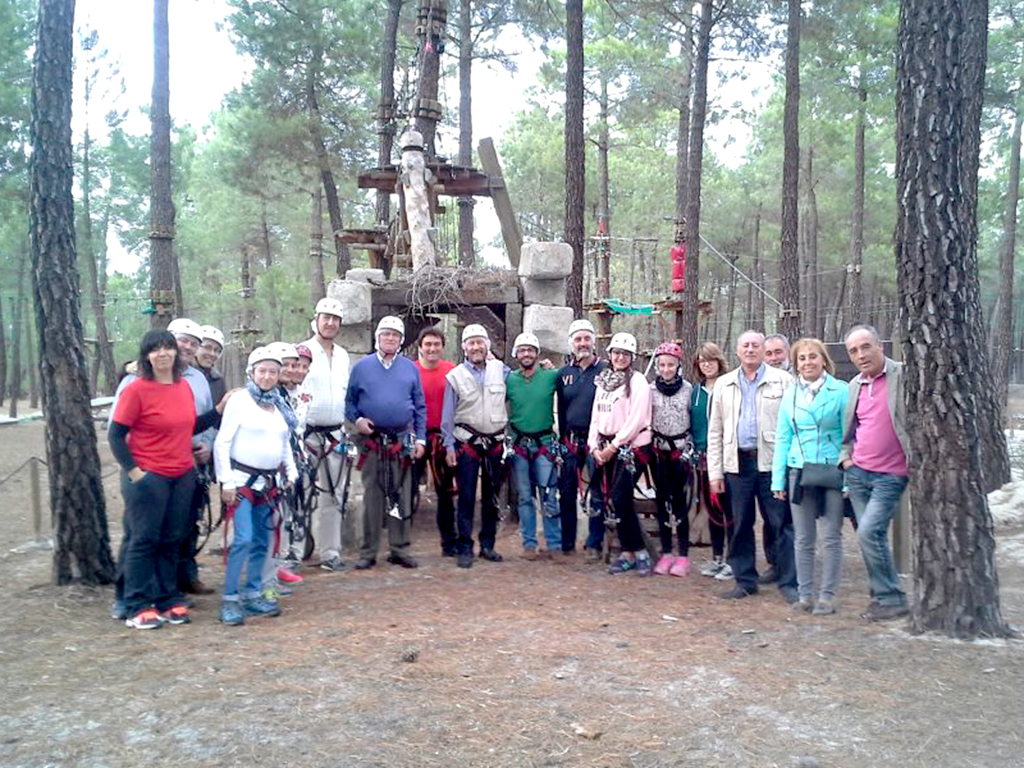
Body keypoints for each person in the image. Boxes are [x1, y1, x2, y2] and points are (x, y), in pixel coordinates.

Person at [108, 329, 223, 629]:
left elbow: (187, 425)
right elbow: (116, 434)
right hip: (148, 476)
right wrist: (135, 473)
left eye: (167, 348)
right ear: (147, 355)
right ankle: (136, 603)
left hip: (181, 474)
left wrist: (217, 412)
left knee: (172, 539)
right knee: (145, 539)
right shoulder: (136, 389)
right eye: (155, 349)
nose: (163, 354)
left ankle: (166, 598)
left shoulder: (183, 386)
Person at [707, 330, 797, 601]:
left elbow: (793, 426)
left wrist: (788, 467)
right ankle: (745, 580)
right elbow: (715, 431)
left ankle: (789, 582)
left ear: (762, 349)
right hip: (737, 464)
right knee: (740, 524)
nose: (750, 350)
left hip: (772, 464)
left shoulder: (783, 381)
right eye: (745, 345)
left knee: (781, 523)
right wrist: (715, 473)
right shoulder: (723, 384)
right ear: (737, 351)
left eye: (755, 346)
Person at [214, 346, 298, 626]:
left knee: (262, 540)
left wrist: (291, 471)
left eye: (273, 371)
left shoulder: (277, 406)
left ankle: (252, 594)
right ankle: (229, 599)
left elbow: (284, 440)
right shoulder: (240, 401)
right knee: (243, 539)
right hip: (241, 482)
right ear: (252, 372)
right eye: (262, 370)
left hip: (268, 483)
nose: (267, 376)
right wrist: (225, 481)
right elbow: (222, 442)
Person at [771, 338, 849, 615]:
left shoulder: (841, 391)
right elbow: (783, 437)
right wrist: (777, 481)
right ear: (796, 363)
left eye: (812, 357)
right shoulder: (790, 395)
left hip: (832, 471)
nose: (807, 363)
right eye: (802, 358)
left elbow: (848, 436)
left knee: (831, 537)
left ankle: (827, 596)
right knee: (803, 538)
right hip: (799, 471)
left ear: (823, 360)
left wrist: (848, 478)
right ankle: (805, 595)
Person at [840, 325, 910, 621]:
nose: (861, 355)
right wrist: (846, 459)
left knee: (870, 532)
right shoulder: (855, 385)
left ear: (880, 346)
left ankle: (892, 597)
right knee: (871, 536)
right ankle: (880, 595)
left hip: (891, 475)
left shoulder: (904, 375)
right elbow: (849, 429)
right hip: (858, 474)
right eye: (854, 351)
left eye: (865, 346)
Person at [346, 316, 426, 570]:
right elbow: (349, 402)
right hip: (372, 440)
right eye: (386, 334)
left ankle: (399, 548)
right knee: (373, 495)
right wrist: (357, 419)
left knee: (401, 495)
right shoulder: (362, 367)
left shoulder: (410, 368)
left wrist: (420, 439)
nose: (390, 338)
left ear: (401, 340)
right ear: (377, 337)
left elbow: (420, 406)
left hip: (401, 440)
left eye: (395, 335)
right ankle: (368, 551)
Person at [441, 324, 509, 569]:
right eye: (471, 342)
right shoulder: (455, 376)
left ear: (487, 346)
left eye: (480, 342)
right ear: (464, 347)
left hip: (494, 443)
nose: (476, 346)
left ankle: (488, 545)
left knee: (491, 498)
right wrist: (449, 446)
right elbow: (447, 416)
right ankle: (464, 547)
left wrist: (544, 367)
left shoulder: (502, 370)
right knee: (467, 497)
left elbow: (523, 383)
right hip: (466, 443)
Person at [589, 332, 653, 576]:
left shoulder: (637, 382)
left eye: (625, 354)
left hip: (632, 446)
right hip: (607, 445)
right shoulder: (604, 380)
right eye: (616, 353)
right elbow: (597, 415)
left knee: (620, 497)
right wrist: (593, 445)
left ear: (632, 357)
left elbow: (636, 420)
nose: (620, 357)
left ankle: (639, 551)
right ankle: (628, 552)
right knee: (614, 500)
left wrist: (613, 447)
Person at [301, 297, 351, 572]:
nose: (330, 323)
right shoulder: (302, 351)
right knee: (301, 494)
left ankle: (330, 553)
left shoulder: (343, 356)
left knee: (334, 495)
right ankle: (293, 553)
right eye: (326, 317)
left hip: (334, 435)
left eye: (335, 319)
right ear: (316, 319)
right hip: (307, 435)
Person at [506, 332, 562, 559]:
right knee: (525, 497)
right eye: (522, 350)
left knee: (549, 495)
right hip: (520, 444)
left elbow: (573, 382)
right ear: (516, 355)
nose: (526, 353)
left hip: (544, 444)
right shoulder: (509, 379)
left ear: (538, 354)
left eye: (530, 350)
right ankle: (529, 544)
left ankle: (555, 544)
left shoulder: (551, 376)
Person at [557, 319, 608, 562]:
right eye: (578, 339)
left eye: (587, 338)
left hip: (596, 442)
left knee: (597, 492)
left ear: (594, 341)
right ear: (571, 344)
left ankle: (594, 543)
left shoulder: (606, 371)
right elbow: (561, 407)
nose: (583, 343)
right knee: (566, 492)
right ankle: (567, 542)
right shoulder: (564, 374)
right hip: (570, 442)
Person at [649, 341, 694, 577]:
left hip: (680, 451)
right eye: (662, 365)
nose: (666, 369)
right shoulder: (651, 390)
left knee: (680, 503)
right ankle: (666, 552)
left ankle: (683, 555)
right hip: (659, 452)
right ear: (657, 366)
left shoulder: (688, 390)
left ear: (678, 366)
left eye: (671, 365)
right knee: (661, 502)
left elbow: (694, 421)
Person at [413, 327, 458, 556]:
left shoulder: (452, 371)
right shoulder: (411, 371)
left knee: (446, 493)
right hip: (417, 438)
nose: (431, 348)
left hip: (443, 439)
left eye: (436, 344)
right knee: (407, 490)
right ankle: (401, 544)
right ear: (420, 347)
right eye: (427, 344)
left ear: (442, 346)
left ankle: (449, 543)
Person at [691, 342, 734, 580]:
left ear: (719, 361)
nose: (706, 364)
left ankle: (733, 558)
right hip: (702, 459)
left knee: (729, 510)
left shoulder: (729, 387)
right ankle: (717, 557)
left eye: (710, 359)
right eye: (702, 360)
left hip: (727, 459)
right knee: (712, 510)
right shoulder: (695, 392)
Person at [196, 325, 227, 404]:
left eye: (217, 350)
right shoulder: (181, 375)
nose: (212, 353)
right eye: (207, 347)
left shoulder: (217, 381)